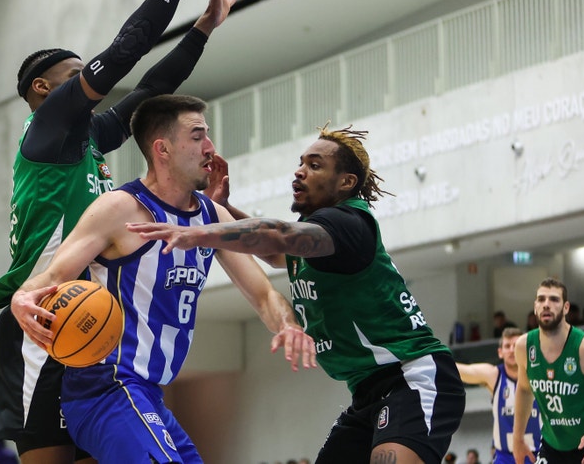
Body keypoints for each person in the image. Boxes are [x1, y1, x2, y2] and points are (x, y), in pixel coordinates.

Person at [0, 0, 239, 463]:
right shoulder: (49, 129)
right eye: (76, 75)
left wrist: (204, 28)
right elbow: (126, 52)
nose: (90, 82)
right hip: (42, 314)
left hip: (91, 312)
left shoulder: (89, 139)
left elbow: (151, 90)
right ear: (43, 87)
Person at [129, 124, 466, 463]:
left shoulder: (350, 225)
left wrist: (200, 231)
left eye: (315, 165)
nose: (300, 171)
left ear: (346, 182)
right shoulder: (319, 241)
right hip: (366, 391)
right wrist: (226, 209)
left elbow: (279, 236)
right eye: (301, 162)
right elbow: (276, 253)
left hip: (412, 376)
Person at [12, 94, 315, 463]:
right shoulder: (118, 208)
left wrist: (287, 325)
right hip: (106, 385)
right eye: (198, 135)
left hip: (149, 393)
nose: (210, 147)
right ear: (163, 149)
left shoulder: (211, 215)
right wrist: (22, 298)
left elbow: (264, 293)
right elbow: (53, 275)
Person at [513, 278, 584, 464]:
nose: (546, 304)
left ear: (566, 308)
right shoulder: (524, 346)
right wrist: (518, 438)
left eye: (554, 299)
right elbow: (524, 390)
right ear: (535, 307)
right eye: (541, 299)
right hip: (552, 445)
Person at [456, 327, 541, 464]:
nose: (512, 350)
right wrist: (433, 358)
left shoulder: (539, 375)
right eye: (507, 346)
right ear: (500, 353)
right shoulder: (494, 376)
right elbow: (463, 370)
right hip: (505, 456)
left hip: (538, 455)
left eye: (515, 345)